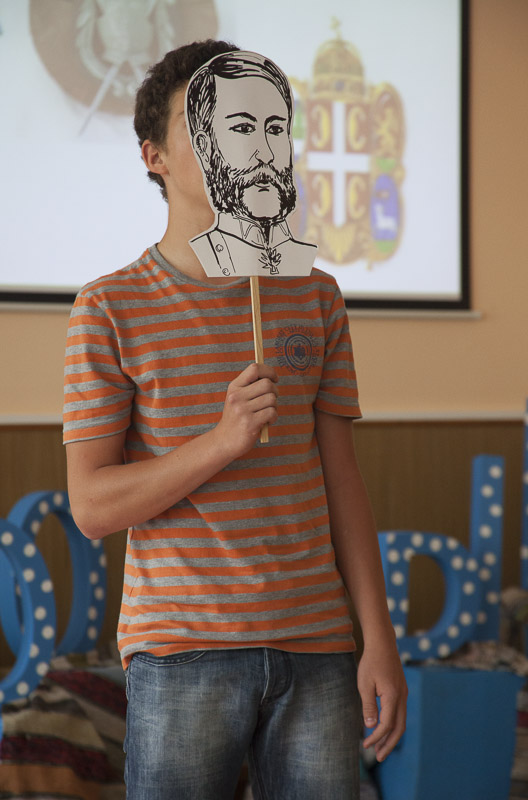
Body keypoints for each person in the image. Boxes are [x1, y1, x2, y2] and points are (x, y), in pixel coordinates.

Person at [63, 38, 407, 800]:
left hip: (317, 647)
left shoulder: (315, 296)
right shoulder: (109, 307)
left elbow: (341, 480)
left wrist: (377, 637)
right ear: (153, 156)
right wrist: (220, 443)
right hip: (179, 652)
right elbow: (91, 507)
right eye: (220, 123)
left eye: (267, 124)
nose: (252, 144)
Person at [186, 49, 317, 278]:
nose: (266, 154)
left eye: (275, 129)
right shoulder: (196, 258)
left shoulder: (318, 285)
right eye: (244, 129)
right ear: (204, 147)